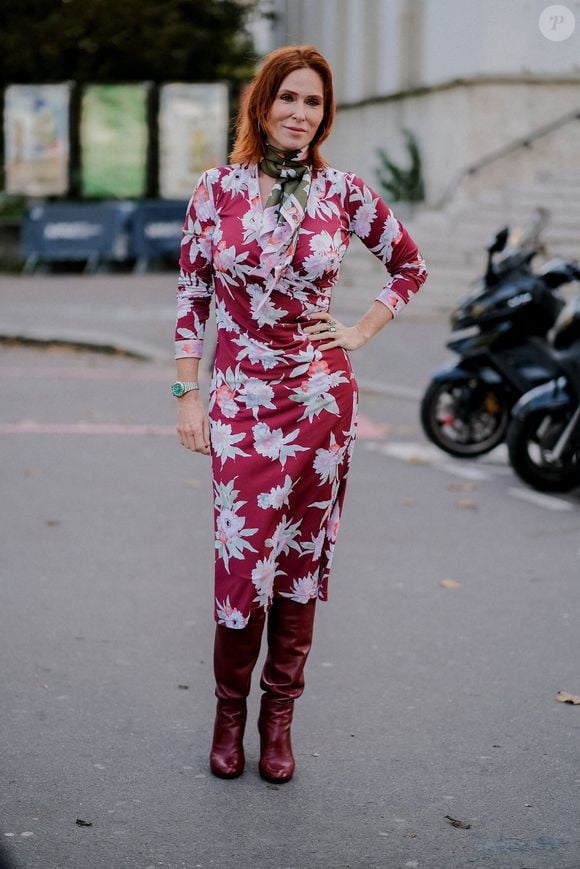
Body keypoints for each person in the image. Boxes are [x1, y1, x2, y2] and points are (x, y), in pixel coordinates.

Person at [173, 45, 427, 784]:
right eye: (289, 98)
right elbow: (191, 298)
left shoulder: (344, 192)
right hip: (242, 400)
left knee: (300, 567)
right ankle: (228, 714)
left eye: (313, 103)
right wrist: (188, 393)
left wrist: (359, 330)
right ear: (262, 104)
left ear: (326, 114)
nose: (299, 113)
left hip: (320, 401)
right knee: (241, 562)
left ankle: (277, 721)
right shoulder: (216, 191)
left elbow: (409, 266)